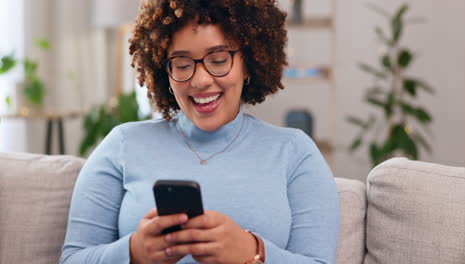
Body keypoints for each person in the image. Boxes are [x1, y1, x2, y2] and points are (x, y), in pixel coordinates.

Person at [60, 0, 340, 263]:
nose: (201, 80)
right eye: (182, 65)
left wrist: (251, 253)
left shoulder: (295, 152)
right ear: (165, 73)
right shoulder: (122, 145)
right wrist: (134, 252)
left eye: (218, 60)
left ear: (249, 63)